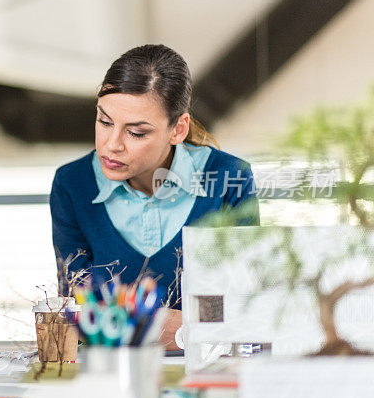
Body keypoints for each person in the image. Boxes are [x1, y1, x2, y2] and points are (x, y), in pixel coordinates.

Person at [50, 44, 258, 349]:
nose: (111, 145)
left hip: (205, 371)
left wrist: (183, 330)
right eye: (104, 122)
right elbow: (79, 309)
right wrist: (180, 324)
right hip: (112, 372)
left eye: (136, 133)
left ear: (178, 129)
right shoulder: (72, 184)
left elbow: (247, 303)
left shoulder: (230, 179)